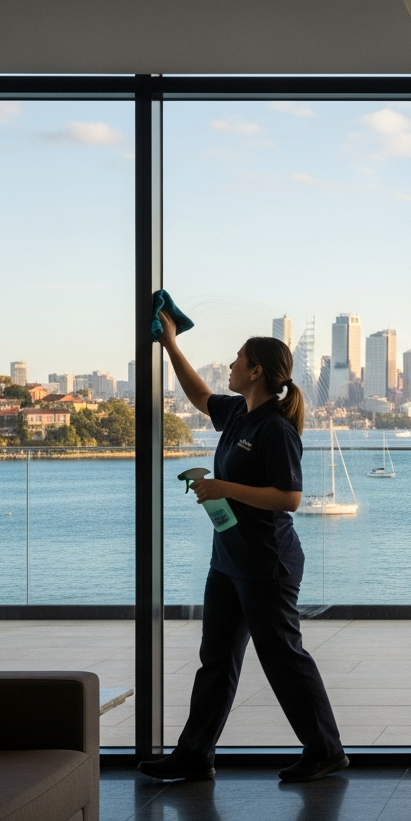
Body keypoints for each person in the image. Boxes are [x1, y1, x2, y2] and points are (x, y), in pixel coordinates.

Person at [139, 310, 348, 783]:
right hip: (228, 560)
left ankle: (325, 749)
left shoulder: (276, 428)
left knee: (283, 658)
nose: (230, 366)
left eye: (237, 360)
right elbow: (197, 394)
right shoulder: (236, 412)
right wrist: (170, 343)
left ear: (255, 371)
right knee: (216, 659)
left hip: (266, 562)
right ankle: (195, 754)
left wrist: (224, 488)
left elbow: (290, 498)